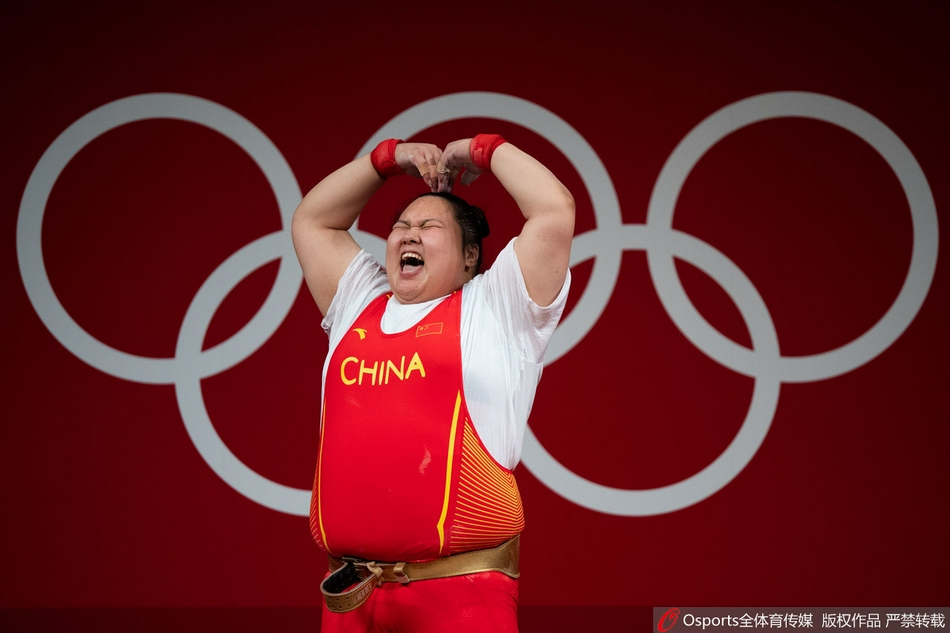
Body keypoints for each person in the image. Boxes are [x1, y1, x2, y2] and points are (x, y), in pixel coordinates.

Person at [291, 133, 575, 632]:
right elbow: (313, 221)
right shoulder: (359, 301)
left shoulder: (497, 307)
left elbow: (554, 209)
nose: (408, 234)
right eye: (400, 226)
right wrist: (387, 158)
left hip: (461, 597)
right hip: (352, 599)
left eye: (428, 226)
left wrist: (483, 149)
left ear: (469, 256)